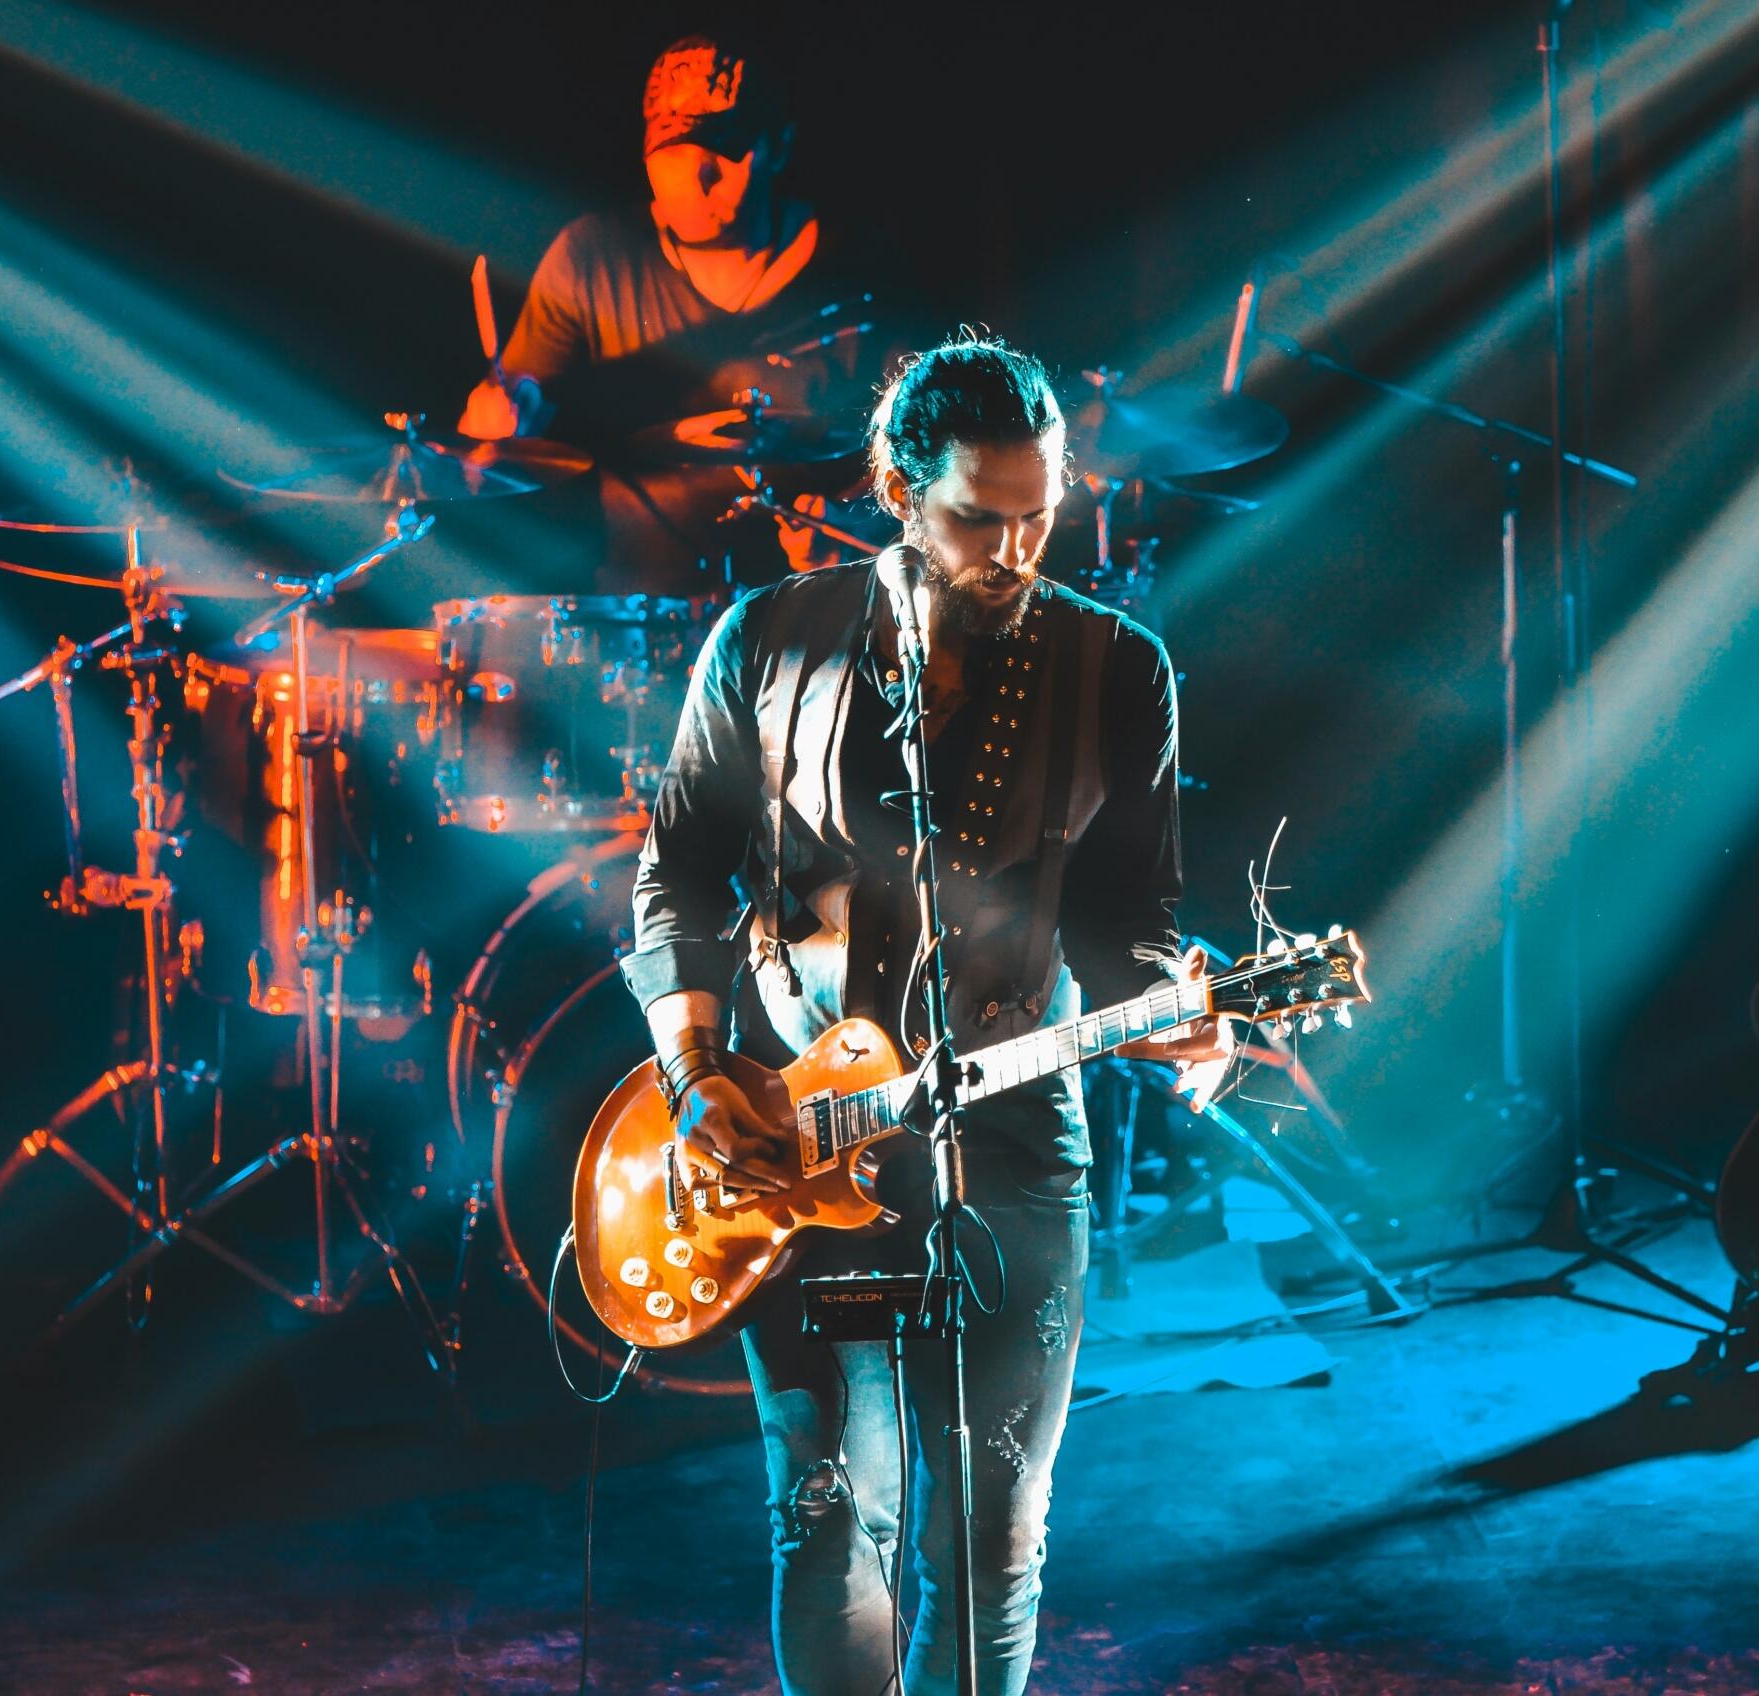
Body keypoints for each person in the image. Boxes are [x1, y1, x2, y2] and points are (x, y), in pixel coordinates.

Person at [618, 336, 1230, 1696]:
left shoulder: (1117, 669)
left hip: (1009, 1136)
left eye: (1040, 512)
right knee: (832, 1513)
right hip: (792, 1132)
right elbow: (675, 875)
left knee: (995, 1536)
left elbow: (1131, 915)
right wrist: (699, 1064)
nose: (1014, 550)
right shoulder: (769, 638)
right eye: (976, 516)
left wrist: (1177, 1004)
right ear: (899, 487)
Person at [457, 33, 887, 590]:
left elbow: (943, 463)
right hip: (640, 626)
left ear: (778, 147)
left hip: (821, 614)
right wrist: (491, 424)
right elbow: (487, 443)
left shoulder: (865, 270)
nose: (696, 176)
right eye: (672, 150)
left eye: (725, 148)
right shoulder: (592, 258)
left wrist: (860, 520)